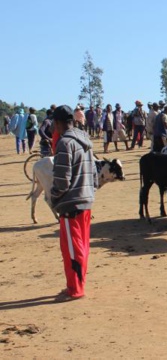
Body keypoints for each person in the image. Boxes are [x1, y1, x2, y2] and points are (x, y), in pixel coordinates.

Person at [49, 105, 97, 301]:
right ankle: (76, 285)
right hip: (86, 200)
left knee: (72, 249)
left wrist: (54, 197)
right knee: (81, 246)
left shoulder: (64, 143)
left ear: (58, 123)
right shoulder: (85, 140)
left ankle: (75, 289)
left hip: (71, 204)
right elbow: (94, 173)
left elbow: (62, 180)